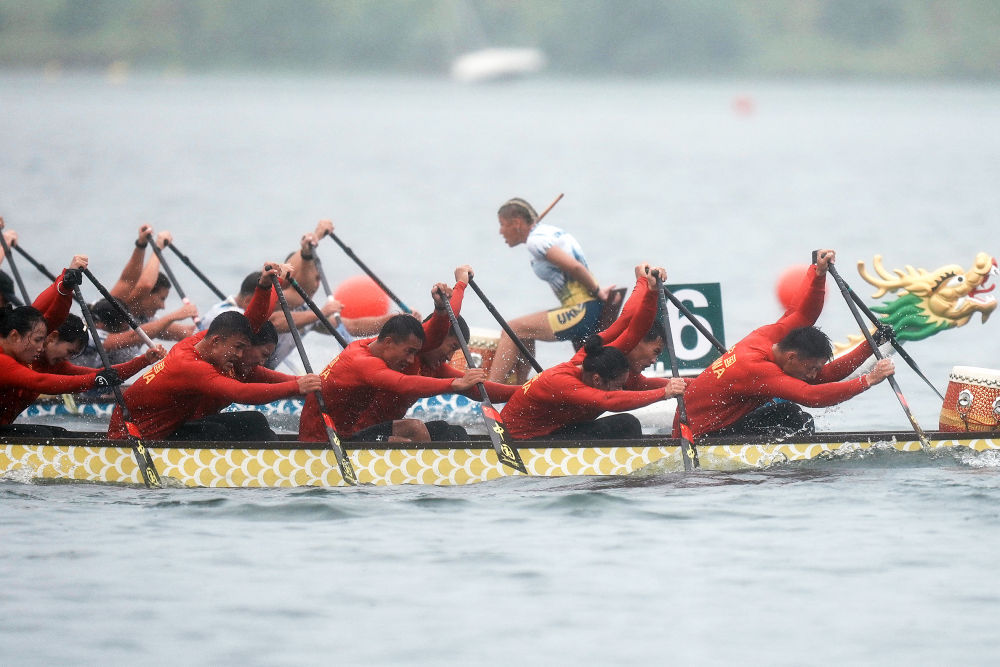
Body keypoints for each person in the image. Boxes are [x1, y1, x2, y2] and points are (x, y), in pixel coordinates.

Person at [680, 250, 895, 439]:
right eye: (811, 368)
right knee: (794, 419)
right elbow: (813, 395)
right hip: (697, 435)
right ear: (792, 357)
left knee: (786, 412)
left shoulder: (766, 337)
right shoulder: (756, 367)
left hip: (707, 423)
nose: (813, 375)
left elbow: (802, 314)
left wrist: (818, 273)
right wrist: (869, 380)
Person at [108, 309, 322, 442]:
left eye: (242, 349)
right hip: (131, 437)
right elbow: (240, 392)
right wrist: (296, 387)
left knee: (254, 421)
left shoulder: (208, 342)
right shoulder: (190, 365)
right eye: (237, 348)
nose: (239, 355)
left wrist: (265, 285)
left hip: (171, 427)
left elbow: (249, 321)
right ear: (216, 341)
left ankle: (276, 462)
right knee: (215, 431)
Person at [298, 313, 487, 443]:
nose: (411, 359)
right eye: (409, 352)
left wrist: (517, 392)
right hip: (325, 439)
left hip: (348, 433)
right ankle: (424, 488)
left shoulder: (370, 347)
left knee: (454, 433)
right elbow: (404, 384)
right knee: (415, 430)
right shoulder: (363, 361)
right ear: (388, 342)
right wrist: (455, 384)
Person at [489, 197, 611, 384]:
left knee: (511, 329)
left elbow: (575, 267)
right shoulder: (548, 233)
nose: (500, 231)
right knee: (523, 333)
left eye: (502, 224)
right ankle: (517, 390)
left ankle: (489, 391)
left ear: (517, 223)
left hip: (581, 311)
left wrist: (598, 291)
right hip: (586, 307)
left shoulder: (536, 241)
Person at [499, 334, 683, 440]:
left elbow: (628, 323)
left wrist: (646, 286)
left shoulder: (589, 364)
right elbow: (608, 400)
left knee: (623, 423)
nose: (620, 391)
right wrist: (664, 393)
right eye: (617, 386)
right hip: (519, 442)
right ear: (597, 380)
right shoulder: (563, 381)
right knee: (627, 424)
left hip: (549, 432)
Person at [0, 305, 123, 435]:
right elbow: (40, 381)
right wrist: (94, 380)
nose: (41, 347)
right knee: (43, 435)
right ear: (14, 336)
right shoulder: (4, 361)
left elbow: (106, 372)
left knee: (60, 434)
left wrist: (144, 360)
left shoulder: (23, 358)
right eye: (38, 340)